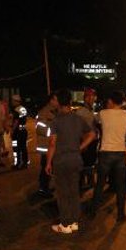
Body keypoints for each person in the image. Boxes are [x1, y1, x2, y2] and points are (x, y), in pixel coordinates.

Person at [45, 89, 96, 234]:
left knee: (63, 193)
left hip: (61, 160)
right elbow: (92, 134)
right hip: (76, 159)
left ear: (59, 102)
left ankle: (65, 224)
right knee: (74, 191)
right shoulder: (78, 119)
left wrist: (48, 163)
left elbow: (53, 144)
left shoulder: (56, 121)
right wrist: (80, 147)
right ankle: (74, 222)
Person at [90, 90, 126, 223]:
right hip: (120, 153)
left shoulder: (103, 113)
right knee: (120, 185)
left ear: (112, 101)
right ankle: (120, 215)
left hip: (105, 153)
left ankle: (93, 210)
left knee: (100, 183)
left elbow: (95, 120)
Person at [75, 87, 99, 192]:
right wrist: (82, 143)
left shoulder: (91, 111)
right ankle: (81, 184)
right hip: (85, 141)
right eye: (89, 97)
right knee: (83, 163)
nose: (92, 99)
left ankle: (89, 181)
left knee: (90, 162)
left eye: (93, 96)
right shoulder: (81, 112)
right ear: (85, 98)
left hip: (92, 141)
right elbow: (78, 129)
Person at [35, 93, 59, 196]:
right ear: (52, 100)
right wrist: (54, 133)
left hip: (52, 145)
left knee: (49, 167)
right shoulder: (44, 112)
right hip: (46, 146)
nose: (58, 102)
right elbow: (40, 128)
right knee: (46, 167)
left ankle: (46, 187)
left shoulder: (55, 112)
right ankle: (43, 189)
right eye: (57, 100)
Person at [9, 94, 28, 172]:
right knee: (23, 147)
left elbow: (16, 121)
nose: (12, 102)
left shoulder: (16, 110)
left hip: (18, 132)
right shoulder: (23, 109)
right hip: (23, 130)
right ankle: (25, 163)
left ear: (16, 101)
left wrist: (12, 131)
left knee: (17, 148)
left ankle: (18, 163)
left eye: (13, 101)